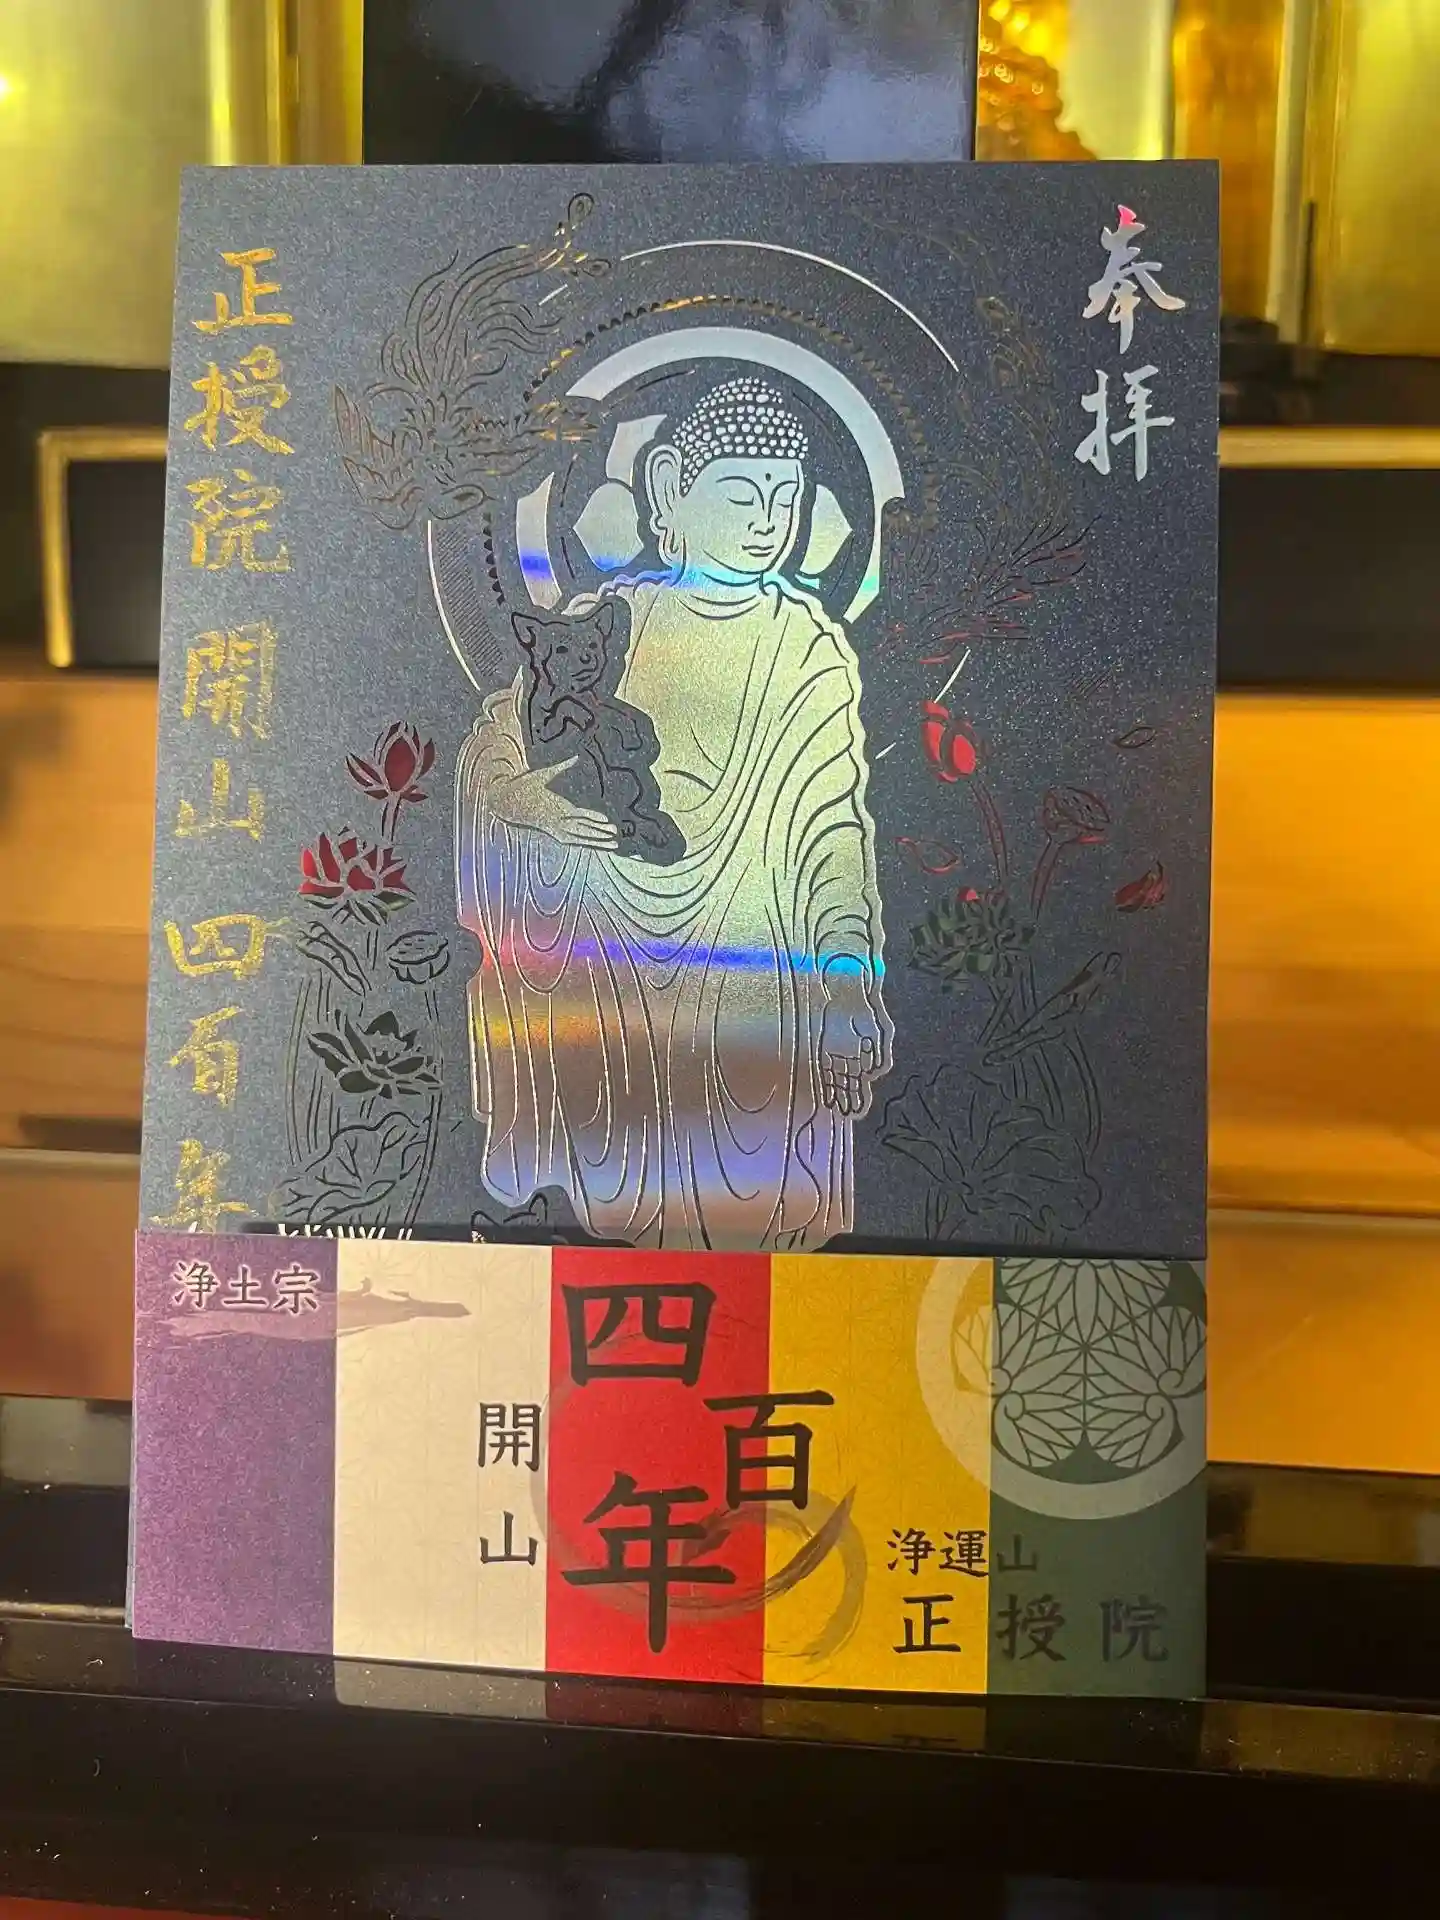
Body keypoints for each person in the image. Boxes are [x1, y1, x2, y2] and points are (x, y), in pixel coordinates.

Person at [456, 374, 890, 1249]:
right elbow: (501, 741)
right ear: (668, 490)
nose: (768, 522)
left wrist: (848, 984)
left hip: (757, 968)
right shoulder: (608, 623)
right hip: (606, 962)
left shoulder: (808, 650)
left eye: (785, 499)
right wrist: (521, 801)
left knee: (751, 1194)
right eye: (740, 494)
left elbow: (833, 837)